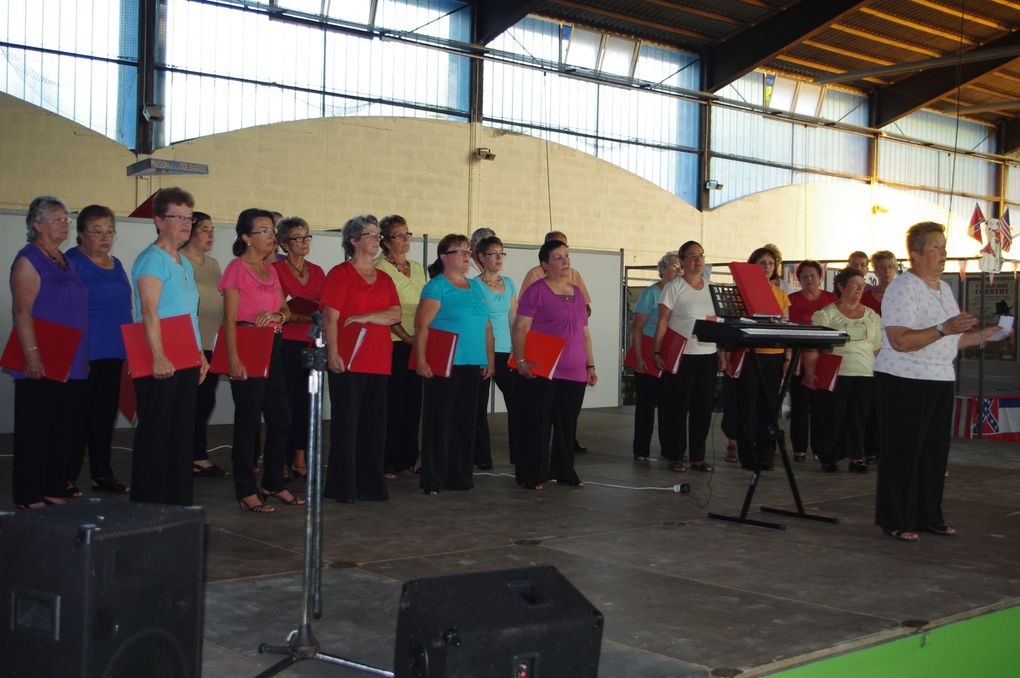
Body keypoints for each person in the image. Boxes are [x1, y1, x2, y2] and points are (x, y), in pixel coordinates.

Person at [874, 222, 1004, 542]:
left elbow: (951, 341)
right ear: (915, 254)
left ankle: (928, 515)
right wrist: (946, 328)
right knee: (903, 451)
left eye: (944, 247)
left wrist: (984, 335)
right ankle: (896, 518)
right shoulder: (903, 288)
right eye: (935, 247)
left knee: (933, 453)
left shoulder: (944, 289)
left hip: (940, 377)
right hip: (904, 379)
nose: (943, 253)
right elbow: (900, 340)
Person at [130, 187, 209, 506]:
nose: (186, 223)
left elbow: (189, 314)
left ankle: (177, 502)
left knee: (180, 433)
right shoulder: (151, 260)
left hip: (185, 355)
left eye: (189, 217)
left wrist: (200, 354)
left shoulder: (183, 262)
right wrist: (159, 356)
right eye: (178, 217)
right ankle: (150, 504)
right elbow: (149, 311)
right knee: (157, 433)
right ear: (159, 220)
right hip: (158, 357)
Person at [9, 196, 89, 509]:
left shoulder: (62, 258)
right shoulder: (29, 259)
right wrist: (32, 355)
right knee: (35, 429)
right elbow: (22, 310)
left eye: (66, 219)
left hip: (70, 355)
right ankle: (29, 495)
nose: (64, 223)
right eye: (56, 218)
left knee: (62, 428)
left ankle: (52, 486)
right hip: (41, 354)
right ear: (36, 224)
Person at [219, 207, 301, 513]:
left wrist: (277, 315)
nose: (271, 236)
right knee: (249, 421)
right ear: (246, 237)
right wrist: (234, 358)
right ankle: (245, 489)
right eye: (263, 231)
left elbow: (287, 311)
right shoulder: (236, 269)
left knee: (281, 418)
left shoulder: (273, 271)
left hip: (273, 344)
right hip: (247, 342)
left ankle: (273, 482)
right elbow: (229, 318)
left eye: (271, 230)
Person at [322, 215, 400, 502]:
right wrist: (332, 352)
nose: (377, 239)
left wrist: (365, 317)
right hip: (348, 358)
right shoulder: (340, 274)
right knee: (347, 424)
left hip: (378, 358)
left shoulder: (384, 277)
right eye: (370, 234)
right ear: (354, 240)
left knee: (374, 425)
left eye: (378, 234)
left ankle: (371, 485)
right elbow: (331, 317)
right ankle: (343, 486)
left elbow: (396, 314)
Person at [512, 239, 597, 490]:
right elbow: (520, 328)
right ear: (544, 265)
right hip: (544, 368)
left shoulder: (577, 292)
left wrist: (590, 365)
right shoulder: (536, 290)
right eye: (558, 257)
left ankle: (563, 471)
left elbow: (585, 333)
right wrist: (521, 360)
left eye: (567, 256)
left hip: (574, 371)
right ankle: (532, 474)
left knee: (567, 425)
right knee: (537, 423)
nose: (565, 261)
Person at [415, 234, 494, 495]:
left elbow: (486, 326)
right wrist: (421, 359)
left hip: (473, 363)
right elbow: (422, 325)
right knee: (439, 421)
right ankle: (433, 479)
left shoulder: (477, 287)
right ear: (444, 256)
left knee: (465, 422)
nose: (465, 255)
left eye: (467, 251)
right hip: (445, 362)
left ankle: (460, 476)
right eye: (459, 251)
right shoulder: (437, 286)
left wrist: (489, 360)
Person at [65, 204, 133, 495]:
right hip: (84, 354)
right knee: (75, 418)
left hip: (114, 352)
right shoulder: (71, 262)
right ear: (81, 234)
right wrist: (77, 354)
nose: (105, 238)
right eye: (97, 232)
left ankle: (101, 475)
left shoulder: (116, 264)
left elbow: (123, 308)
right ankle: (64, 476)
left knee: (104, 418)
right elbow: (65, 310)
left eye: (109, 231)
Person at [807, 267, 882, 473]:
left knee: (859, 417)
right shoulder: (826, 314)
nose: (860, 289)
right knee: (834, 416)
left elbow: (877, 346)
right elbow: (813, 345)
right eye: (855, 284)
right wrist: (810, 372)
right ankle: (829, 456)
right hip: (836, 373)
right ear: (841, 286)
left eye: (862, 285)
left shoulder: (872, 316)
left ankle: (856, 456)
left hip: (865, 373)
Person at [653, 242, 718, 473]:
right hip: (682, 355)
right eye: (691, 256)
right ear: (681, 261)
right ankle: (676, 454)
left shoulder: (711, 288)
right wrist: (657, 351)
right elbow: (662, 322)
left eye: (701, 255)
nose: (697, 260)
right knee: (677, 407)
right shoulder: (674, 287)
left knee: (703, 407)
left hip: (707, 354)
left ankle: (697, 457)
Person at [271, 216, 326, 480]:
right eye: (297, 238)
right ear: (284, 243)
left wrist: (306, 316)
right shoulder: (275, 270)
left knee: (307, 400)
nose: (304, 243)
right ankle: (280, 457)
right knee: (284, 402)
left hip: (311, 340)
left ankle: (300, 455)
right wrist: (302, 316)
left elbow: (324, 308)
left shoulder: (317, 271)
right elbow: (280, 310)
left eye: (307, 237)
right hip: (284, 341)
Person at [727, 245, 790, 471]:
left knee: (769, 407)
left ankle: (766, 454)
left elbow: (785, 326)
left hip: (775, 355)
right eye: (762, 263)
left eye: (771, 263)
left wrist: (787, 358)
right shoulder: (742, 292)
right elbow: (735, 322)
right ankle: (748, 455)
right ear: (753, 266)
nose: (766, 267)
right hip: (751, 355)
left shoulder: (781, 294)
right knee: (748, 406)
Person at [375, 214, 426, 478]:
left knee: (412, 403)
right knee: (391, 403)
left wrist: (420, 338)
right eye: (399, 235)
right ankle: (388, 460)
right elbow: (382, 308)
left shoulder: (417, 267)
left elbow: (425, 304)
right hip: (392, 342)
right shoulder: (379, 268)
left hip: (417, 342)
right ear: (384, 241)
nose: (406, 240)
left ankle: (409, 456)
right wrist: (406, 337)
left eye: (408, 234)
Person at [180, 211, 227, 478]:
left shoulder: (214, 264)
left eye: (212, 230)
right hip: (189, 342)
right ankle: (184, 455)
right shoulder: (180, 261)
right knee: (189, 403)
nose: (210, 235)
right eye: (205, 229)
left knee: (204, 403)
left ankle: (198, 454)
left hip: (212, 341)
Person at [472, 235, 518, 469]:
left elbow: (514, 319)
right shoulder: (474, 285)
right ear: (481, 257)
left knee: (518, 403)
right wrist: (487, 357)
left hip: (507, 352)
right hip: (483, 351)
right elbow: (479, 322)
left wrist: (517, 351)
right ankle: (481, 458)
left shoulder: (509, 283)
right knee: (477, 407)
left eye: (502, 253)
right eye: (493, 253)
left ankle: (520, 455)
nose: (499, 258)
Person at [787, 260, 838, 462]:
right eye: (804, 276)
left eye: (813, 276)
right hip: (799, 359)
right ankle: (799, 448)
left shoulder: (831, 299)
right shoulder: (791, 300)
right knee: (799, 405)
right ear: (798, 280)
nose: (809, 279)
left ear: (820, 278)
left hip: (825, 359)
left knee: (822, 406)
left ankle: (820, 447)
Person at [630, 253, 679, 461]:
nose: (679, 271)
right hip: (649, 350)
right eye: (674, 267)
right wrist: (639, 356)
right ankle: (641, 450)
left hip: (672, 352)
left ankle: (669, 450)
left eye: (680, 267)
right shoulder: (651, 293)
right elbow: (637, 327)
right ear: (662, 270)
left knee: (670, 405)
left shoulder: (680, 293)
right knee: (646, 405)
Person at [861, 250, 897, 315]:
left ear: (895, 270)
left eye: (890, 267)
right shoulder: (865, 298)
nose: (887, 271)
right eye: (882, 268)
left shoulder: (903, 295)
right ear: (875, 271)